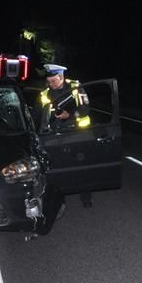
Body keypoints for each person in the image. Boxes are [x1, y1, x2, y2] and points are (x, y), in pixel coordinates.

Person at [40, 63, 95, 207]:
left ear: (61, 77)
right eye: (49, 81)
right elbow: (43, 115)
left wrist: (69, 115)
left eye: (53, 81)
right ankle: (59, 200)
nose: (51, 84)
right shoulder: (46, 93)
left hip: (77, 132)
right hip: (57, 134)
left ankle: (86, 198)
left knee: (81, 166)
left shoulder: (76, 87)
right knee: (57, 168)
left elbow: (85, 109)